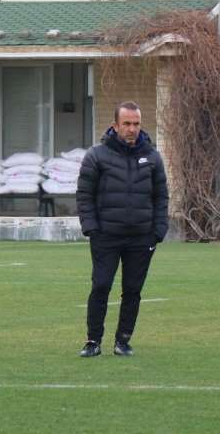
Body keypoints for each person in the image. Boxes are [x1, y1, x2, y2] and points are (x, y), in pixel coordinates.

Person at [76, 101, 169, 357]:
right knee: (101, 286)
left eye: (136, 124)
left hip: (141, 237)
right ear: (115, 125)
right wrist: (91, 228)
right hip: (106, 235)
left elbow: (161, 196)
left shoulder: (152, 156)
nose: (132, 129)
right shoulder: (97, 155)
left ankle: (123, 341)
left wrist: (158, 230)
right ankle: (93, 341)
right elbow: (84, 195)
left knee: (132, 290)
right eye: (127, 124)